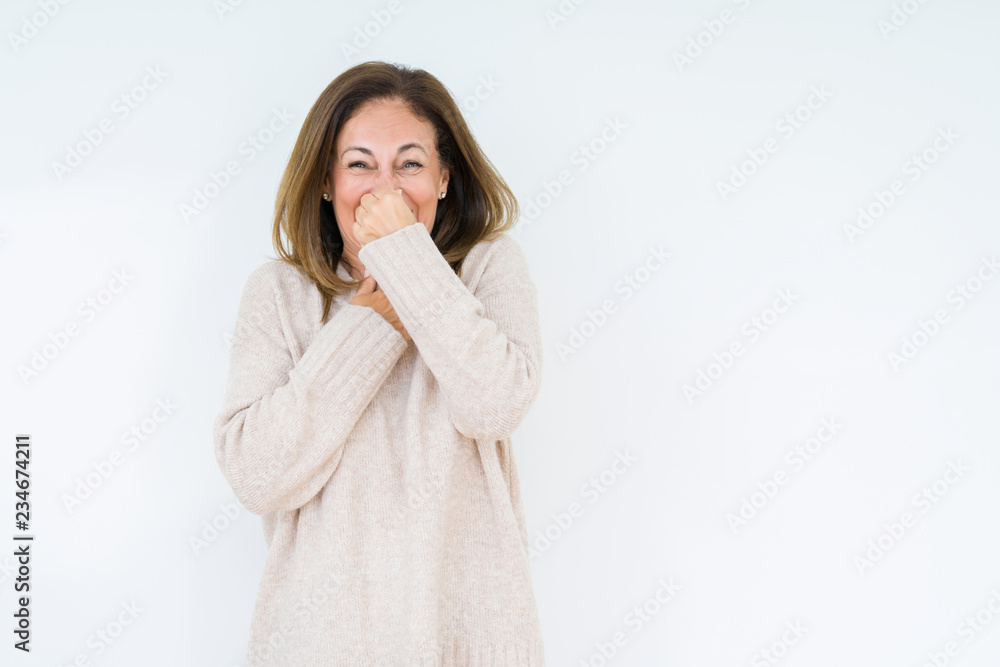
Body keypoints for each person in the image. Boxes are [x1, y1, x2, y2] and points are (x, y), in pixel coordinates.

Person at [212, 60, 546, 666]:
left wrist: (407, 263)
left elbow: (495, 405)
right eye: (360, 164)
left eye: (410, 164)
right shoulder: (280, 294)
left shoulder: (489, 268)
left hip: (468, 643)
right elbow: (257, 476)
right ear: (326, 180)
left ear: (444, 179)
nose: (385, 190)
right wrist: (370, 323)